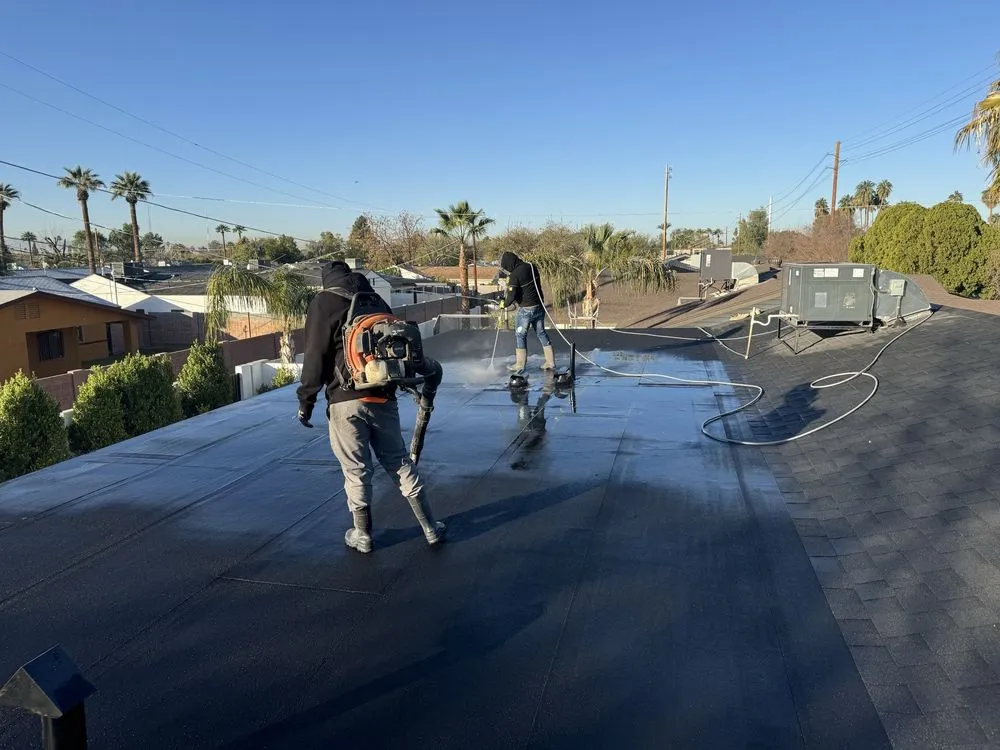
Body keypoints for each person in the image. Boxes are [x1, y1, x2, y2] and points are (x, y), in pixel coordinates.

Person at [296, 260, 446, 554]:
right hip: (383, 394)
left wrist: (306, 400)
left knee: (356, 470)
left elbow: (315, 354)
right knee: (399, 462)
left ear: (327, 280)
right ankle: (430, 527)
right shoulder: (375, 300)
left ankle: (362, 535)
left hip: (344, 399)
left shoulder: (323, 301)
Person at [498, 251, 554, 373]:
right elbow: (527, 286)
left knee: (520, 335)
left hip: (526, 310)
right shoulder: (531, 266)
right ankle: (550, 362)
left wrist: (503, 304)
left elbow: (512, 296)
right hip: (539, 307)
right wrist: (511, 282)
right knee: (541, 333)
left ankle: (520, 365)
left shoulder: (515, 275)